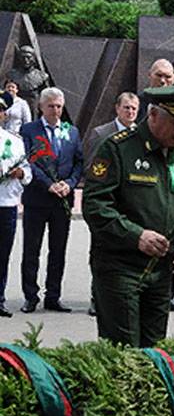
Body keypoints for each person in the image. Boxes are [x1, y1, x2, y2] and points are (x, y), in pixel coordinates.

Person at [83, 84, 174, 346]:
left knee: (155, 350)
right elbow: (95, 206)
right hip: (120, 269)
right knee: (124, 351)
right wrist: (136, 236)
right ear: (153, 115)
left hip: (161, 272)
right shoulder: (117, 149)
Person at [19, 88, 83, 314]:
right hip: (38, 199)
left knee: (58, 250)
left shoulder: (72, 131)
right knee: (31, 250)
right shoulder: (29, 130)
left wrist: (70, 183)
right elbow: (28, 161)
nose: (55, 111)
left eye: (59, 106)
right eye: (51, 106)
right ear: (41, 107)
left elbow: (78, 163)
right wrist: (49, 184)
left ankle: (53, 296)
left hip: (62, 201)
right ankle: (30, 296)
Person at [0, 92, 30, 317]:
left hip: (7, 203)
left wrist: (20, 173)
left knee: (2, 254)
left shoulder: (14, 140)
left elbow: (27, 172)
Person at [84, 92, 140, 166]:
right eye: (127, 107)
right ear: (117, 108)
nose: (130, 112)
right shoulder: (100, 134)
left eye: (134, 108)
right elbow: (90, 166)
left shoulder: (141, 135)